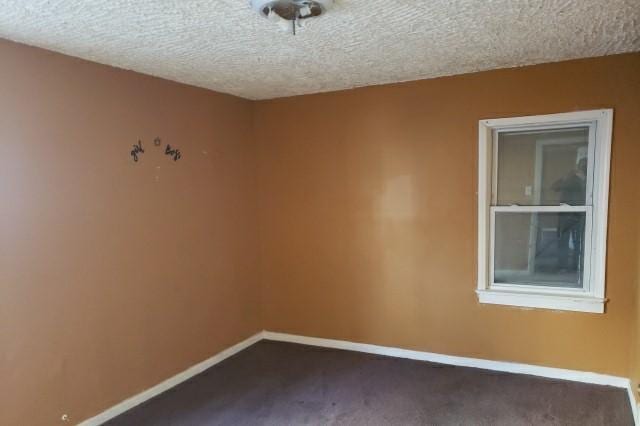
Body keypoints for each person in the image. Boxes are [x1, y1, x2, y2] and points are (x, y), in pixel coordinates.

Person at [551, 146, 587, 273]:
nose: (582, 166)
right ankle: (562, 266)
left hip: (579, 214)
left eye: (585, 164)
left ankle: (576, 266)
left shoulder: (588, 178)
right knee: (562, 239)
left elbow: (588, 193)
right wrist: (567, 176)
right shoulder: (569, 177)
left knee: (579, 240)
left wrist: (583, 179)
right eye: (581, 164)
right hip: (565, 214)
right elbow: (554, 187)